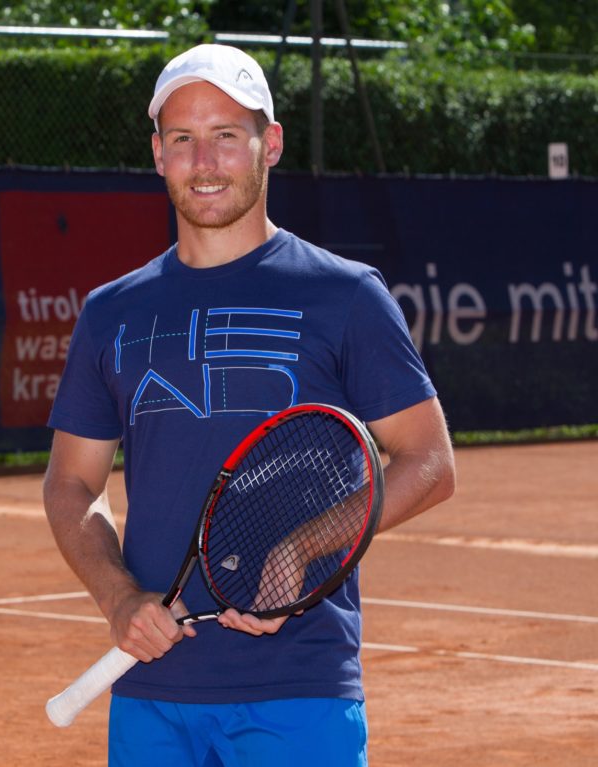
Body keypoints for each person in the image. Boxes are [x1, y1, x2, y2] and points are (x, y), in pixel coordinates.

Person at [44, 43, 456, 767]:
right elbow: (72, 482)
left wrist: (304, 546)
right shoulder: (111, 312)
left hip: (298, 691)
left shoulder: (346, 295)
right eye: (182, 138)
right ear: (158, 154)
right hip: (151, 691)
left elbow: (429, 462)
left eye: (226, 135)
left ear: (271, 143)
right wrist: (119, 598)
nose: (204, 161)